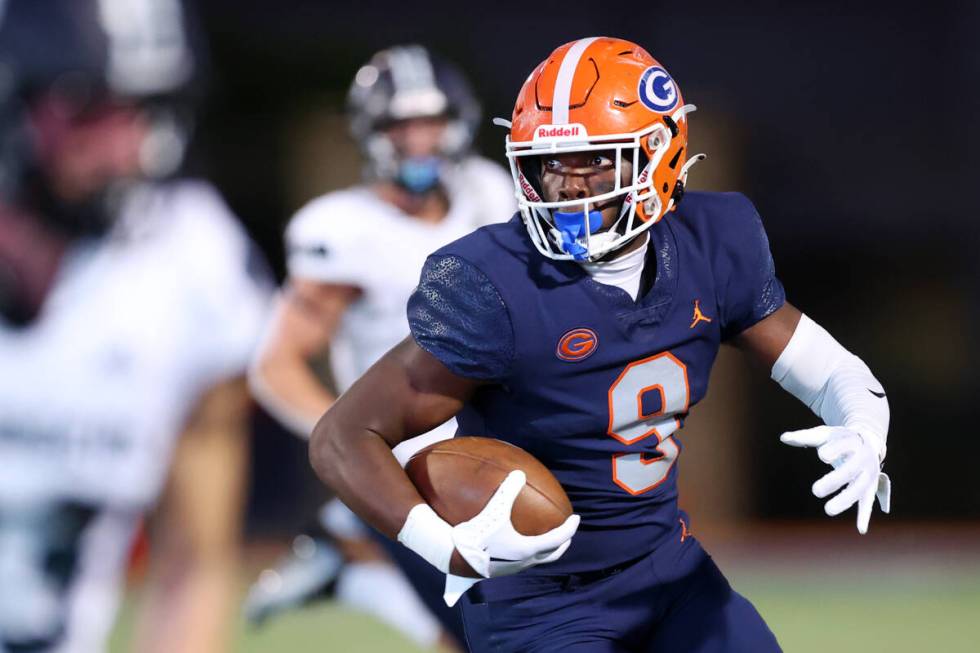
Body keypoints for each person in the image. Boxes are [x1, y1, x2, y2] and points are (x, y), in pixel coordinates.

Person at [308, 36, 892, 652]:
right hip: (538, 604)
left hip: (669, 573)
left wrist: (864, 425)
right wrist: (442, 546)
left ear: (659, 154)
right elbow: (342, 437)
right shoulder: (495, 283)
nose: (568, 185)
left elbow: (828, 372)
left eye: (594, 160)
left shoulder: (713, 241)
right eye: (550, 164)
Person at [0, 1, 271, 651]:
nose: (126, 145)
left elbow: (193, 567)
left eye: (142, 109)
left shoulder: (191, 267)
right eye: (87, 105)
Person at [243, 45, 514, 649]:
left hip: (495, 436)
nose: (419, 141)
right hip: (414, 458)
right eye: (400, 125)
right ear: (372, 133)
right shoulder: (343, 231)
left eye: (432, 122)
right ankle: (353, 560)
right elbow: (275, 365)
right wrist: (354, 447)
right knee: (482, 628)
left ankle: (350, 567)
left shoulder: (491, 194)